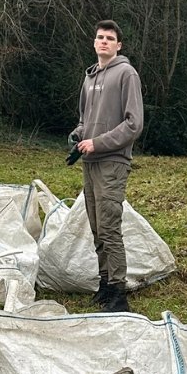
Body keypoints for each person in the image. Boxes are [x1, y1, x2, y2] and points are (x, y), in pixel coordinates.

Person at [70, 20, 144, 313]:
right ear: (94, 42)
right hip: (89, 162)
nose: (103, 42)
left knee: (110, 226)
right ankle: (104, 283)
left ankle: (118, 293)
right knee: (96, 227)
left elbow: (133, 123)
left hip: (112, 161)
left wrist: (98, 143)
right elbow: (83, 120)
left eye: (109, 38)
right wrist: (77, 136)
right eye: (99, 37)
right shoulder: (89, 77)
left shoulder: (126, 74)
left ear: (118, 45)